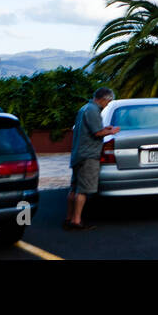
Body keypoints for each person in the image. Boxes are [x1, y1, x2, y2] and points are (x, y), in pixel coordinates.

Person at [64, 87, 119, 230]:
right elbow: (97, 133)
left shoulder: (84, 108)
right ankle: (77, 221)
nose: (108, 104)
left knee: (74, 188)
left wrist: (105, 128)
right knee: (82, 190)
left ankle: (69, 218)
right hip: (89, 155)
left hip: (78, 153)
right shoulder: (93, 111)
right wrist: (111, 131)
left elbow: (89, 129)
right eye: (108, 101)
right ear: (103, 99)